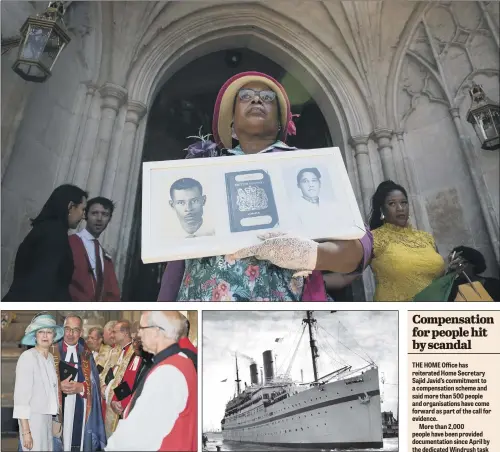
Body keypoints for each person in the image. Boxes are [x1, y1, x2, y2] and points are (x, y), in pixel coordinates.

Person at [158, 71, 372, 301]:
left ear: (281, 123)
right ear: (231, 126)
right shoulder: (202, 173)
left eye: (268, 98)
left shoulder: (308, 168)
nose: (257, 100)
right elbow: (177, 259)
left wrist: (311, 254)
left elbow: (359, 249)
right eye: (245, 96)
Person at [324, 180, 446, 301]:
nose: (400, 208)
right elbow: (345, 277)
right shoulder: (373, 238)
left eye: (404, 203)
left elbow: (440, 279)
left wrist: (453, 269)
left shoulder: (426, 238)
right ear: (382, 210)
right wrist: (309, 282)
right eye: (392, 204)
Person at [105, 311, 197, 451]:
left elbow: (137, 436)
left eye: (142, 328)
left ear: (157, 332)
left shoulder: (168, 372)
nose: (138, 334)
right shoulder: (180, 360)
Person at [3, 184, 88, 301]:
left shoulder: (46, 229)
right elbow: (43, 283)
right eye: (82, 209)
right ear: (70, 207)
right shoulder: (54, 235)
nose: (84, 216)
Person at [51, 315, 106, 451]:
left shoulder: (86, 354)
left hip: (80, 408)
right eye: (68, 329)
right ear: (63, 330)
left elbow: (95, 384)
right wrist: (57, 387)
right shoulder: (52, 351)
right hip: (56, 411)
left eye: (75, 330)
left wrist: (82, 387)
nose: (70, 334)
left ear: (81, 333)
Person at [14, 314, 64, 451]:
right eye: (41, 332)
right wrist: (26, 432)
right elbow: (21, 399)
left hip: (47, 420)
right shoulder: (27, 357)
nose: (45, 336)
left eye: (49, 332)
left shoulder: (50, 359)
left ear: (53, 337)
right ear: (35, 336)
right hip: (32, 420)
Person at [69, 197, 120, 301]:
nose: (99, 219)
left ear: (109, 219)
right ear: (85, 215)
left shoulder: (105, 257)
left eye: (105, 214)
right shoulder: (70, 242)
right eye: (94, 213)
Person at [100, 321, 142, 438]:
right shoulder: (118, 350)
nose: (112, 335)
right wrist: (103, 386)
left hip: (122, 401)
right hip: (110, 397)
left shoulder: (135, 352)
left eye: (115, 332)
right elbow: (109, 372)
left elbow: (129, 380)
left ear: (124, 334)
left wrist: (116, 398)